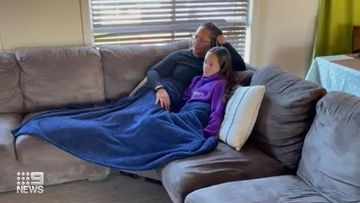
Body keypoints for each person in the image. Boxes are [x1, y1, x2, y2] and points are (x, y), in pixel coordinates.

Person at [12, 22, 245, 170]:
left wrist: (224, 42)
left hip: (176, 103)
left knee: (147, 125)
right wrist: (159, 89)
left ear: (213, 43)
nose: (194, 42)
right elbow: (153, 72)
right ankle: (69, 129)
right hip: (158, 93)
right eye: (194, 36)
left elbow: (240, 64)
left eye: (201, 39)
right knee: (128, 120)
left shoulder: (213, 64)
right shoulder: (180, 56)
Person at [181, 46, 234, 138]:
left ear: (222, 67)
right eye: (205, 62)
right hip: (186, 113)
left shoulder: (219, 84)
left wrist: (209, 132)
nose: (206, 67)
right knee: (156, 121)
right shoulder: (196, 80)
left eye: (211, 64)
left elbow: (217, 110)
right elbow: (185, 99)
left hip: (199, 114)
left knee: (153, 123)